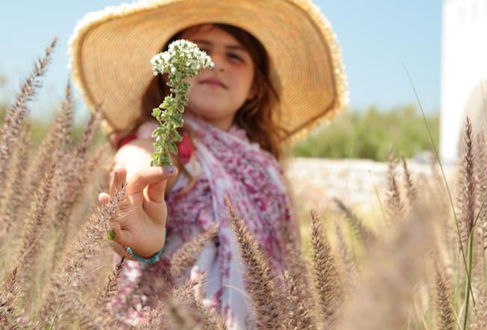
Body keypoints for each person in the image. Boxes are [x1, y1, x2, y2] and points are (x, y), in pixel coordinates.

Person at [69, 0, 347, 328]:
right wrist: (133, 195)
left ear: (256, 86)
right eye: (200, 50)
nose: (216, 63)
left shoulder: (267, 166)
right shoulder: (170, 138)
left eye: (235, 55)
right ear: (169, 72)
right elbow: (144, 157)